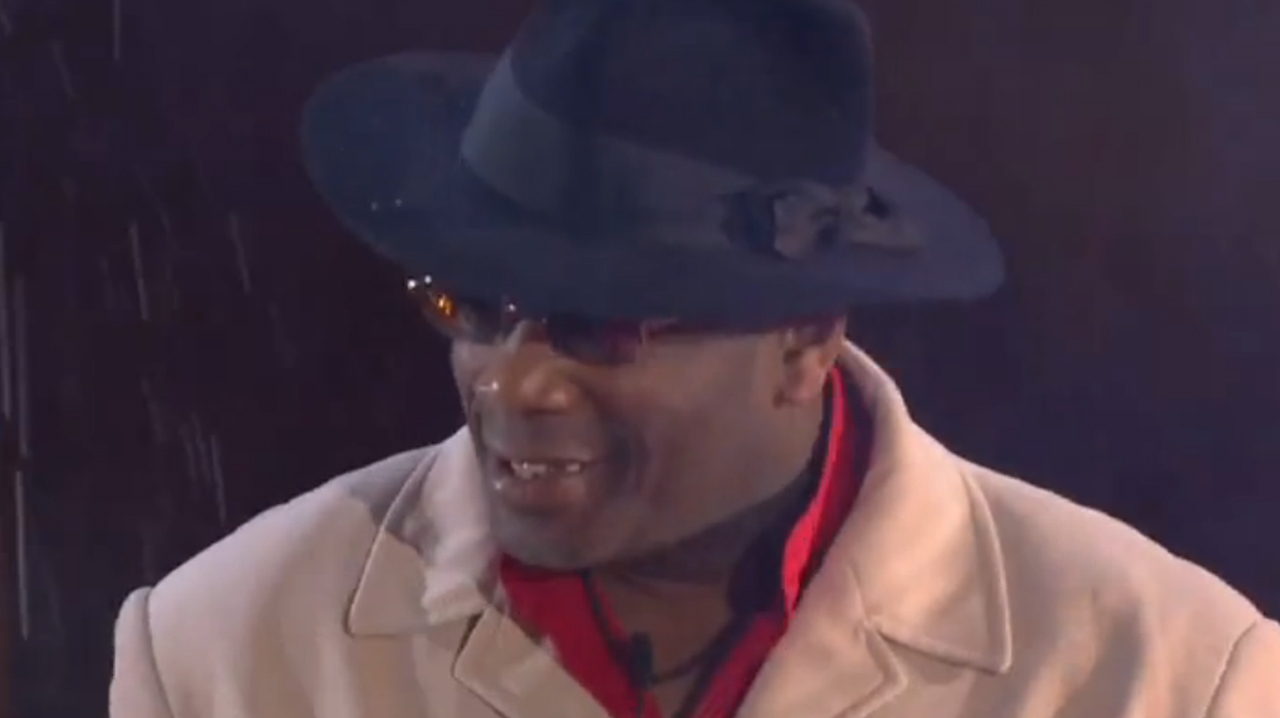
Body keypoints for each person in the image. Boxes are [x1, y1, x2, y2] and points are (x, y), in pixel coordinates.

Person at [109, 0, 1279, 716]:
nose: (510, 380)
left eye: (602, 326)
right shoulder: (221, 652)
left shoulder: (1170, 676)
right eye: (476, 307)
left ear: (804, 337)